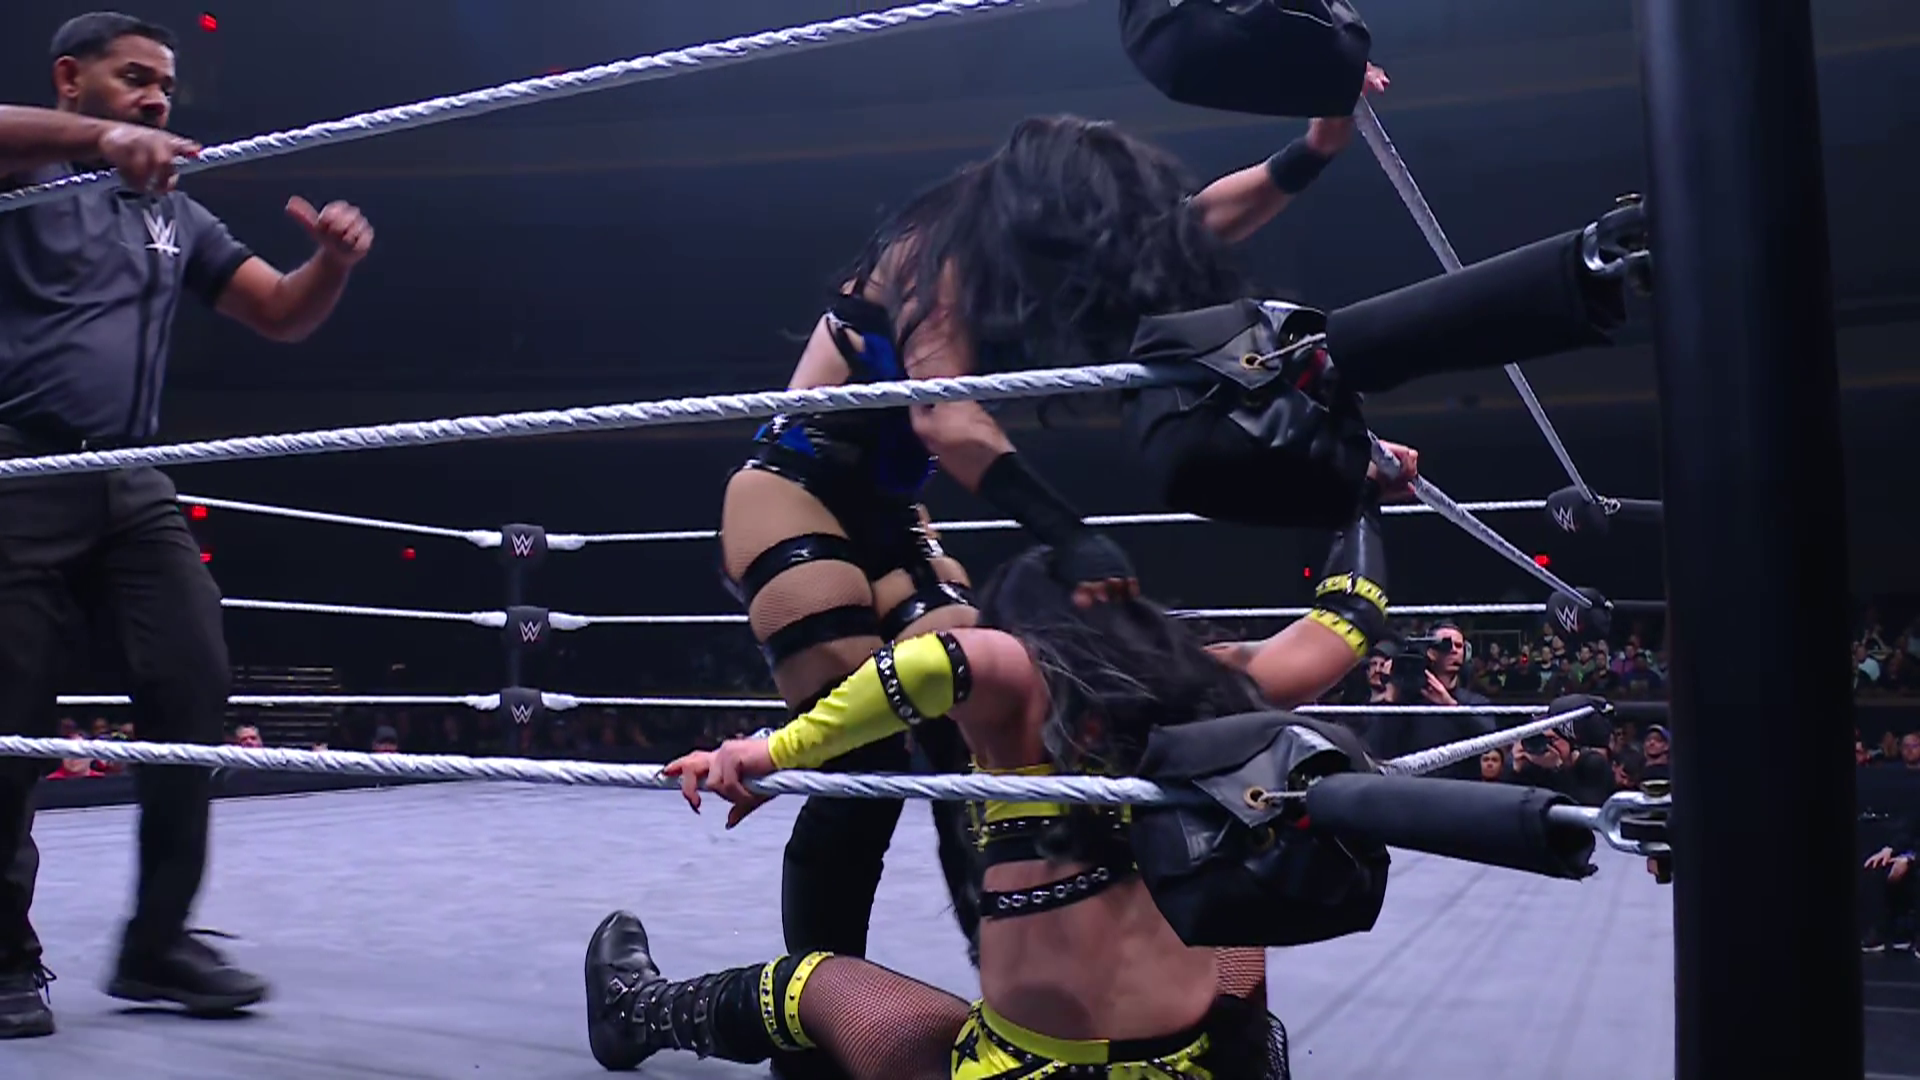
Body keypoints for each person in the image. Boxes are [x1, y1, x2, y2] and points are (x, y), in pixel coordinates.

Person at [718, 61, 1391, 994]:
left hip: (896, 515)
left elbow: (1190, 227)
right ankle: (818, 1005)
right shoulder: (934, 250)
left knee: (971, 737)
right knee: (857, 749)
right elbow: (944, 418)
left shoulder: (1035, 259)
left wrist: (1313, 149)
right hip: (793, 488)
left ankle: (1008, 978)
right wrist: (1067, 533)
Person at [581, 446, 1415, 1078]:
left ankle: (636, 1011)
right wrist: (1363, 501)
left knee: (811, 983)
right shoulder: (1209, 688)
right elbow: (1345, 626)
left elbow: (936, 663)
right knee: (1232, 926)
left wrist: (767, 751)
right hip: (1190, 1064)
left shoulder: (1026, 693)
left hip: (1027, 1071)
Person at [0, 12, 374, 1037]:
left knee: (192, 682)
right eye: (134, 78)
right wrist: (98, 138)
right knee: (9, 722)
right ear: (70, 78)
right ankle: (2, 959)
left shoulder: (177, 211)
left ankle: (157, 942)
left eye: (164, 83)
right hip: (18, 469)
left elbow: (278, 311)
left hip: (130, 481)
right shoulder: (30, 174)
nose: (157, 97)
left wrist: (331, 263)